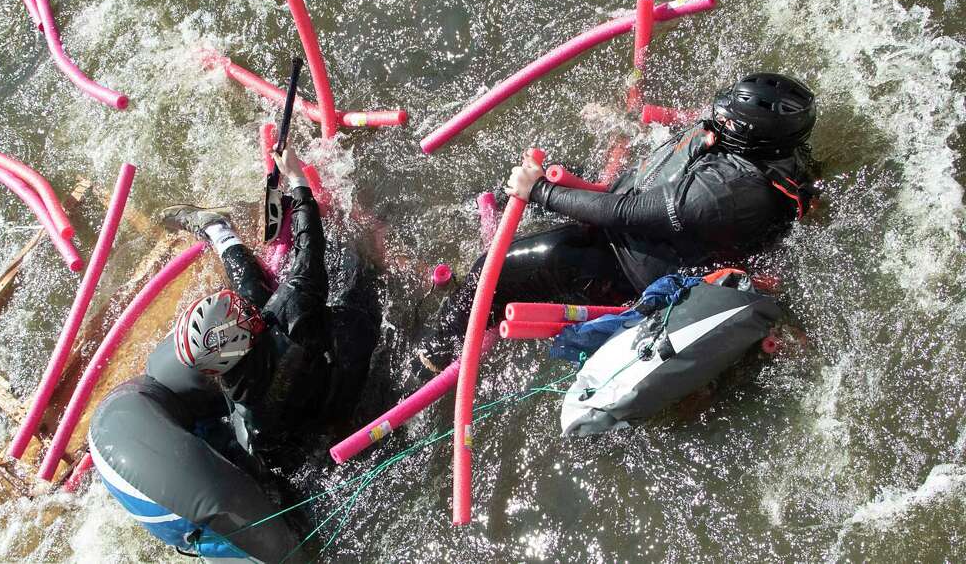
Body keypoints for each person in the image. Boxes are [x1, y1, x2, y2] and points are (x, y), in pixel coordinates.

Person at [88, 147, 380, 562]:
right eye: (242, 316)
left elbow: (269, 466)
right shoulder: (292, 313)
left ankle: (218, 230)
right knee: (362, 284)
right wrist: (297, 180)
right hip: (334, 374)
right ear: (245, 336)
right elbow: (308, 246)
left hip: (287, 421)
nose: (246, 310)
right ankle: (222, 231)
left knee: (252, 287)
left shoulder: (243, 404)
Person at [418, 72, 819, 372]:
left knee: (494, 268)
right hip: (633, 217)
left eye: (729, 121)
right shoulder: (770, 148)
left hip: (626, 264)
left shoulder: (723, 193)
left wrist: (540, 192)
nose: (719, 120)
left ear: (754, 138)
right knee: (514, 186)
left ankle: (431, 360)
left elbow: (628, 214)